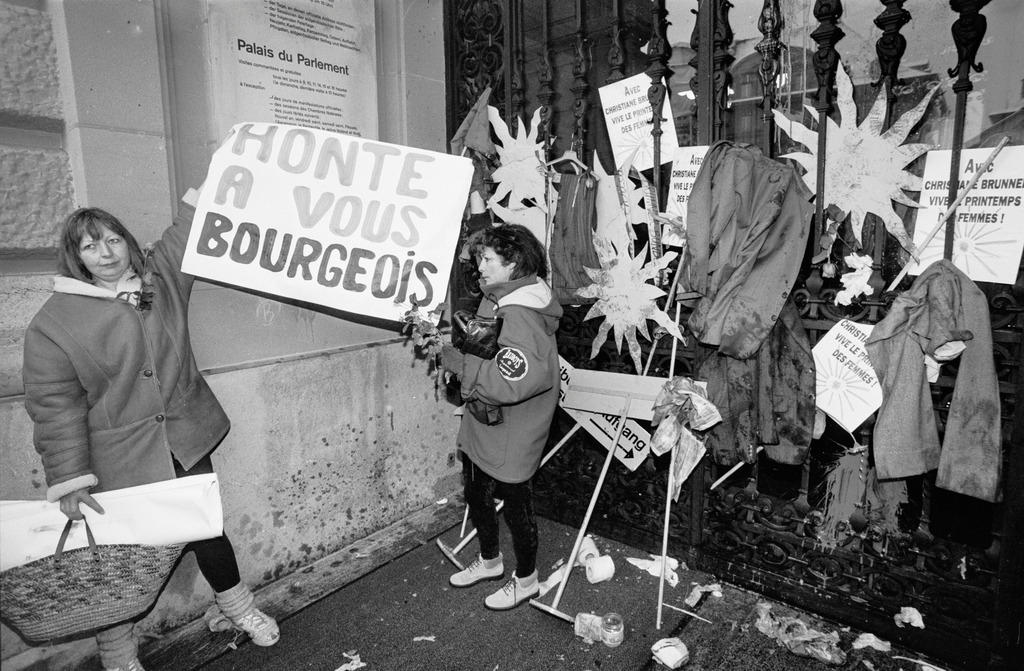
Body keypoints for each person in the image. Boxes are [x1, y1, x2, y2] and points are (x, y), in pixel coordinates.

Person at [22, 203, 279, 671]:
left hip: (184, 440)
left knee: (208, 531)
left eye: (114, 240)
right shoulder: (53, 323)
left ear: (127, 241)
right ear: (76, 257)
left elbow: (186, 231)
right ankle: (118, 653)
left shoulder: (159, 281)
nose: (106, 253)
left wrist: (220, 179)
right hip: (113, 457)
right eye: (91, 245)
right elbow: (54, 406)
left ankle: (237, 609)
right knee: (115, 557)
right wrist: (71, 478)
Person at [441, 223, 562, 610]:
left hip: (514, 424)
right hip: (484, 417)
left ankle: (526, 580)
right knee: (475, 489)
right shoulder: (494, 298)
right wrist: (454, 356)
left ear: (513, 264)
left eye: (488, 260)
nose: (480, 267)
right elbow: (481, 351)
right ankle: (490, 561)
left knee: (515, 502)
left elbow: (515, 380)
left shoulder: (521, 311)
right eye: (479, 259)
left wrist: (462, 370)